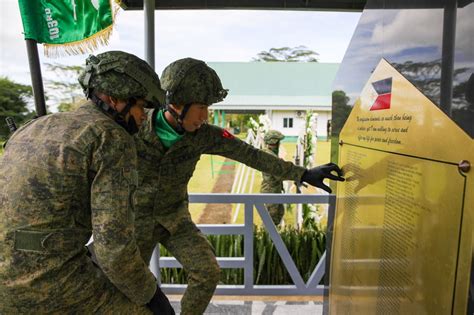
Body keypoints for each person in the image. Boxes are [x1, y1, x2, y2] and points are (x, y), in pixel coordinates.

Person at [133, 57, 345, 315]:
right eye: (201, 106)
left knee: (207, 271)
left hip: (175, 220)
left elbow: (250, 155)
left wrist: (302, 173)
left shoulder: (205, 136)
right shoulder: (134, 124)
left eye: (207, 107)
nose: (205, 116)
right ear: (176, 104)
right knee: (129, 283)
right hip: (135, 222)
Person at [0, 51, 174, 314]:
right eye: (140, 105)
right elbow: (114, 248)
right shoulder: (111, 137)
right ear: (114, 99)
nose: (144, 115)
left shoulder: (34, 126)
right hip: (50, 285)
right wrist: (153, 295)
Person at [260, 130, 287, 225]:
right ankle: (266, 239)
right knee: (270, 222)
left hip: (274, 191)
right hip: (270, 193)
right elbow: (280, 174)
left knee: (278, 215)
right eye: (279, 142)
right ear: (274, 142)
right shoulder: (270, 156)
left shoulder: (270, 154)